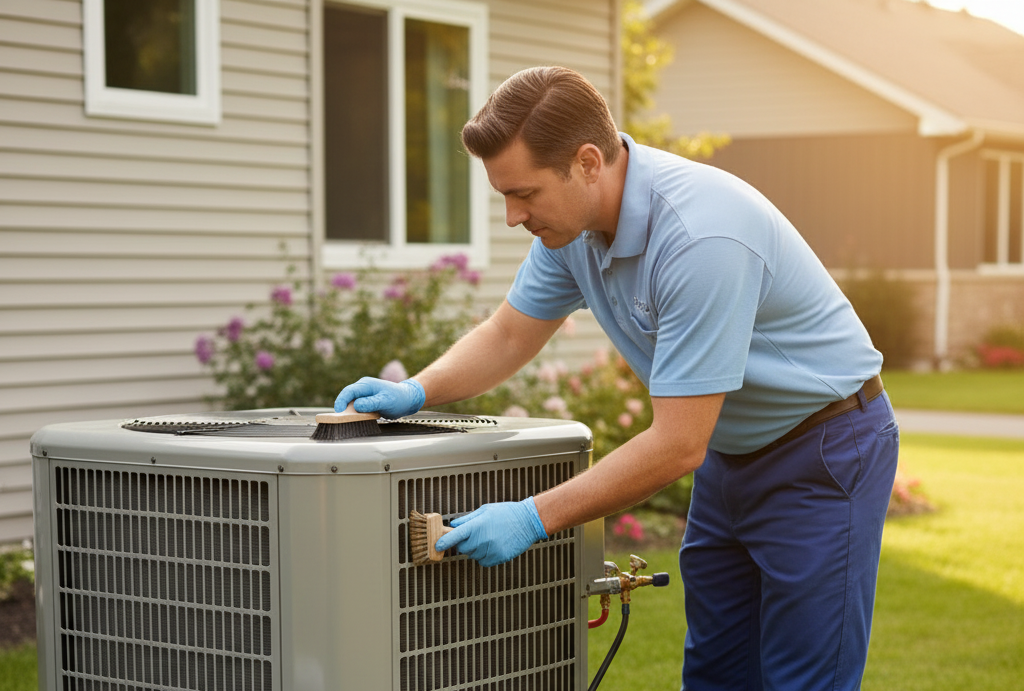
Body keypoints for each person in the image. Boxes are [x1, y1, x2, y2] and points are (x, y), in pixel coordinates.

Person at [334, 66, 899, 691]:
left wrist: (531, 517)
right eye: (503, 196)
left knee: (802, 677)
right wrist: (416, 389)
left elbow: (678, 443)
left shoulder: (700, 237)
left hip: (822, 449)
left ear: (587, 163)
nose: (512, 216)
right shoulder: (570, 231)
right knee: (717, 671)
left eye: (523, 193)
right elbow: (510, 334)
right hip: (732, 453)